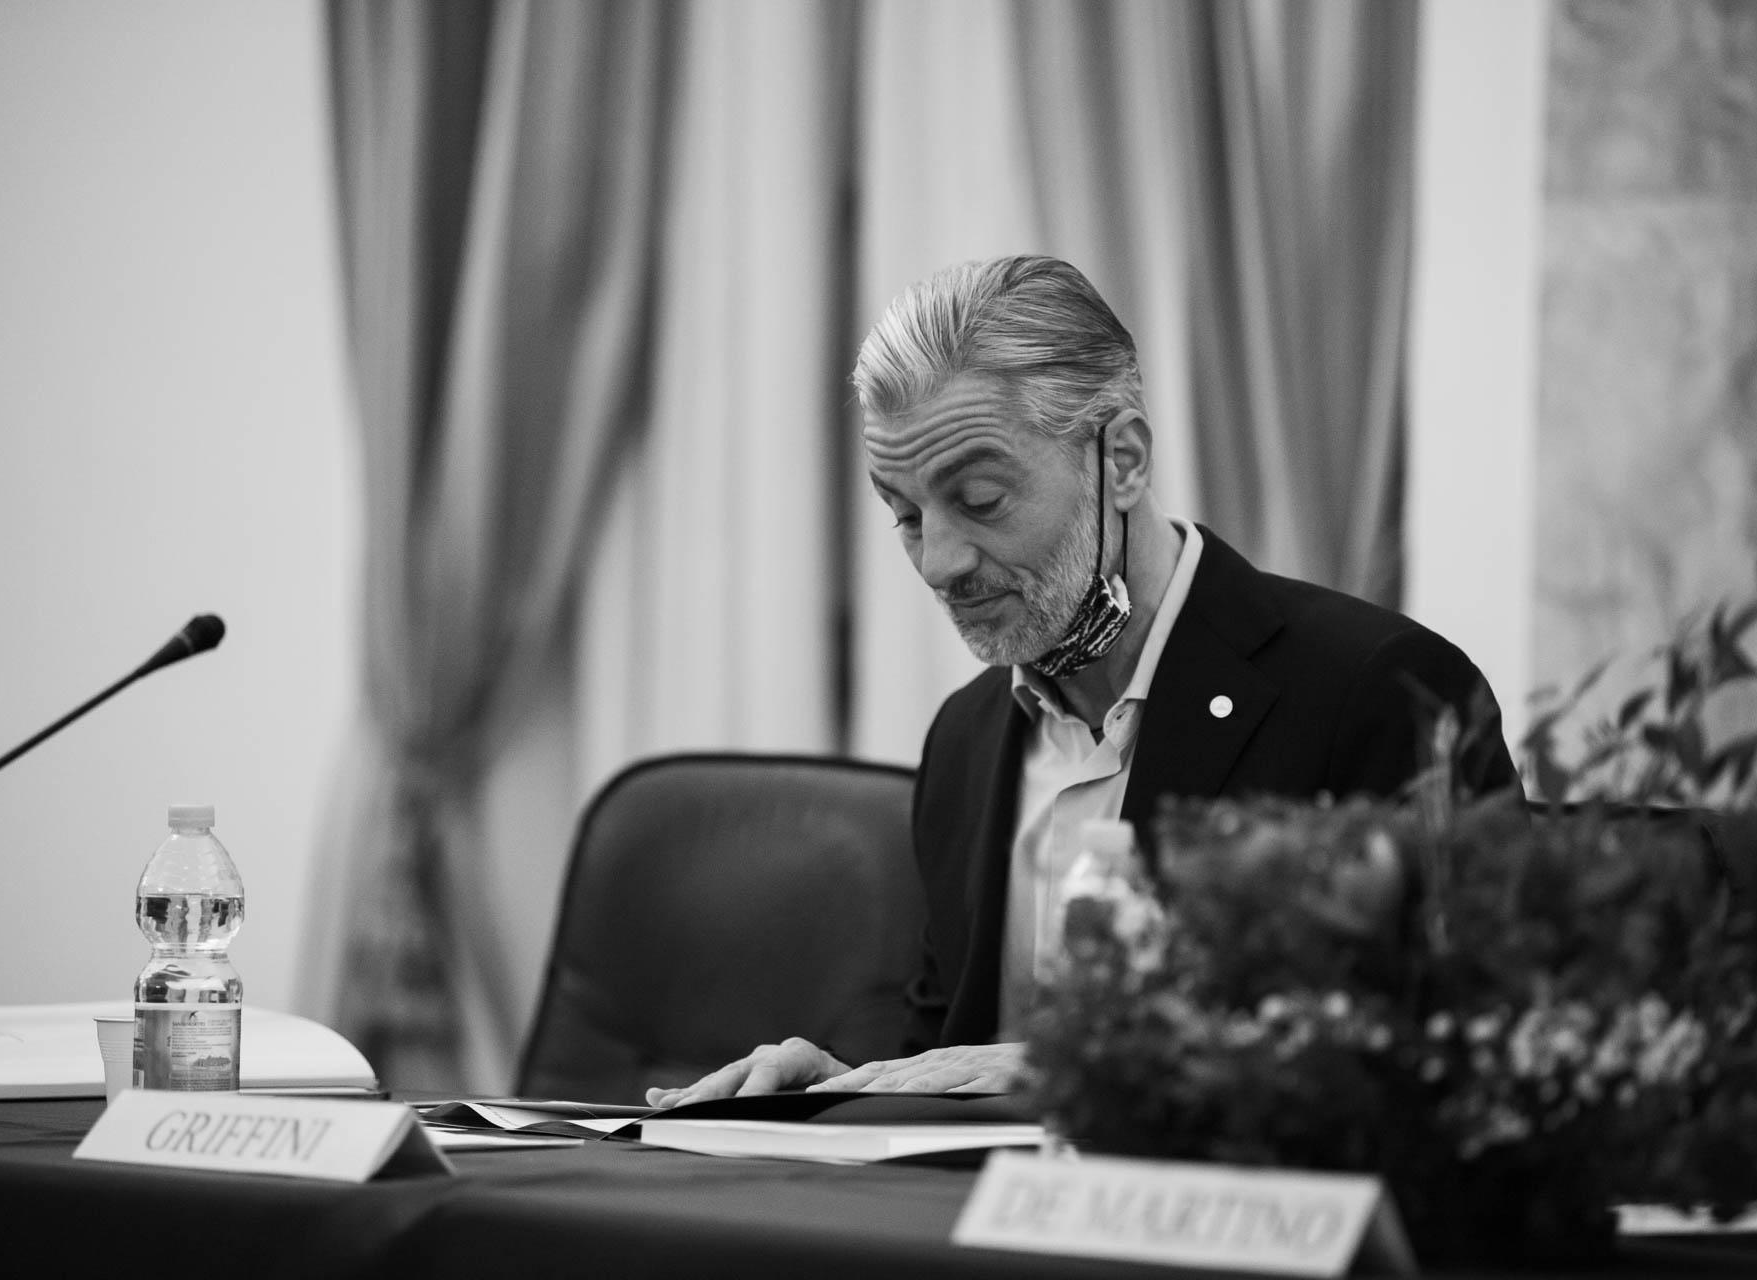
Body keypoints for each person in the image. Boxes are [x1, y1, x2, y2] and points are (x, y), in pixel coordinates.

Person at [645, 254, 1517, 1107]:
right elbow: (949, 1065)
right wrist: (842, 1093)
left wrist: (1080, 1069)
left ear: (1123, 461)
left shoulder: (1379, 691)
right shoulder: (965, 740)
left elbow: (1467, 1057)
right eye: (905, 515)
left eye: (981, 500)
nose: (940, 564)